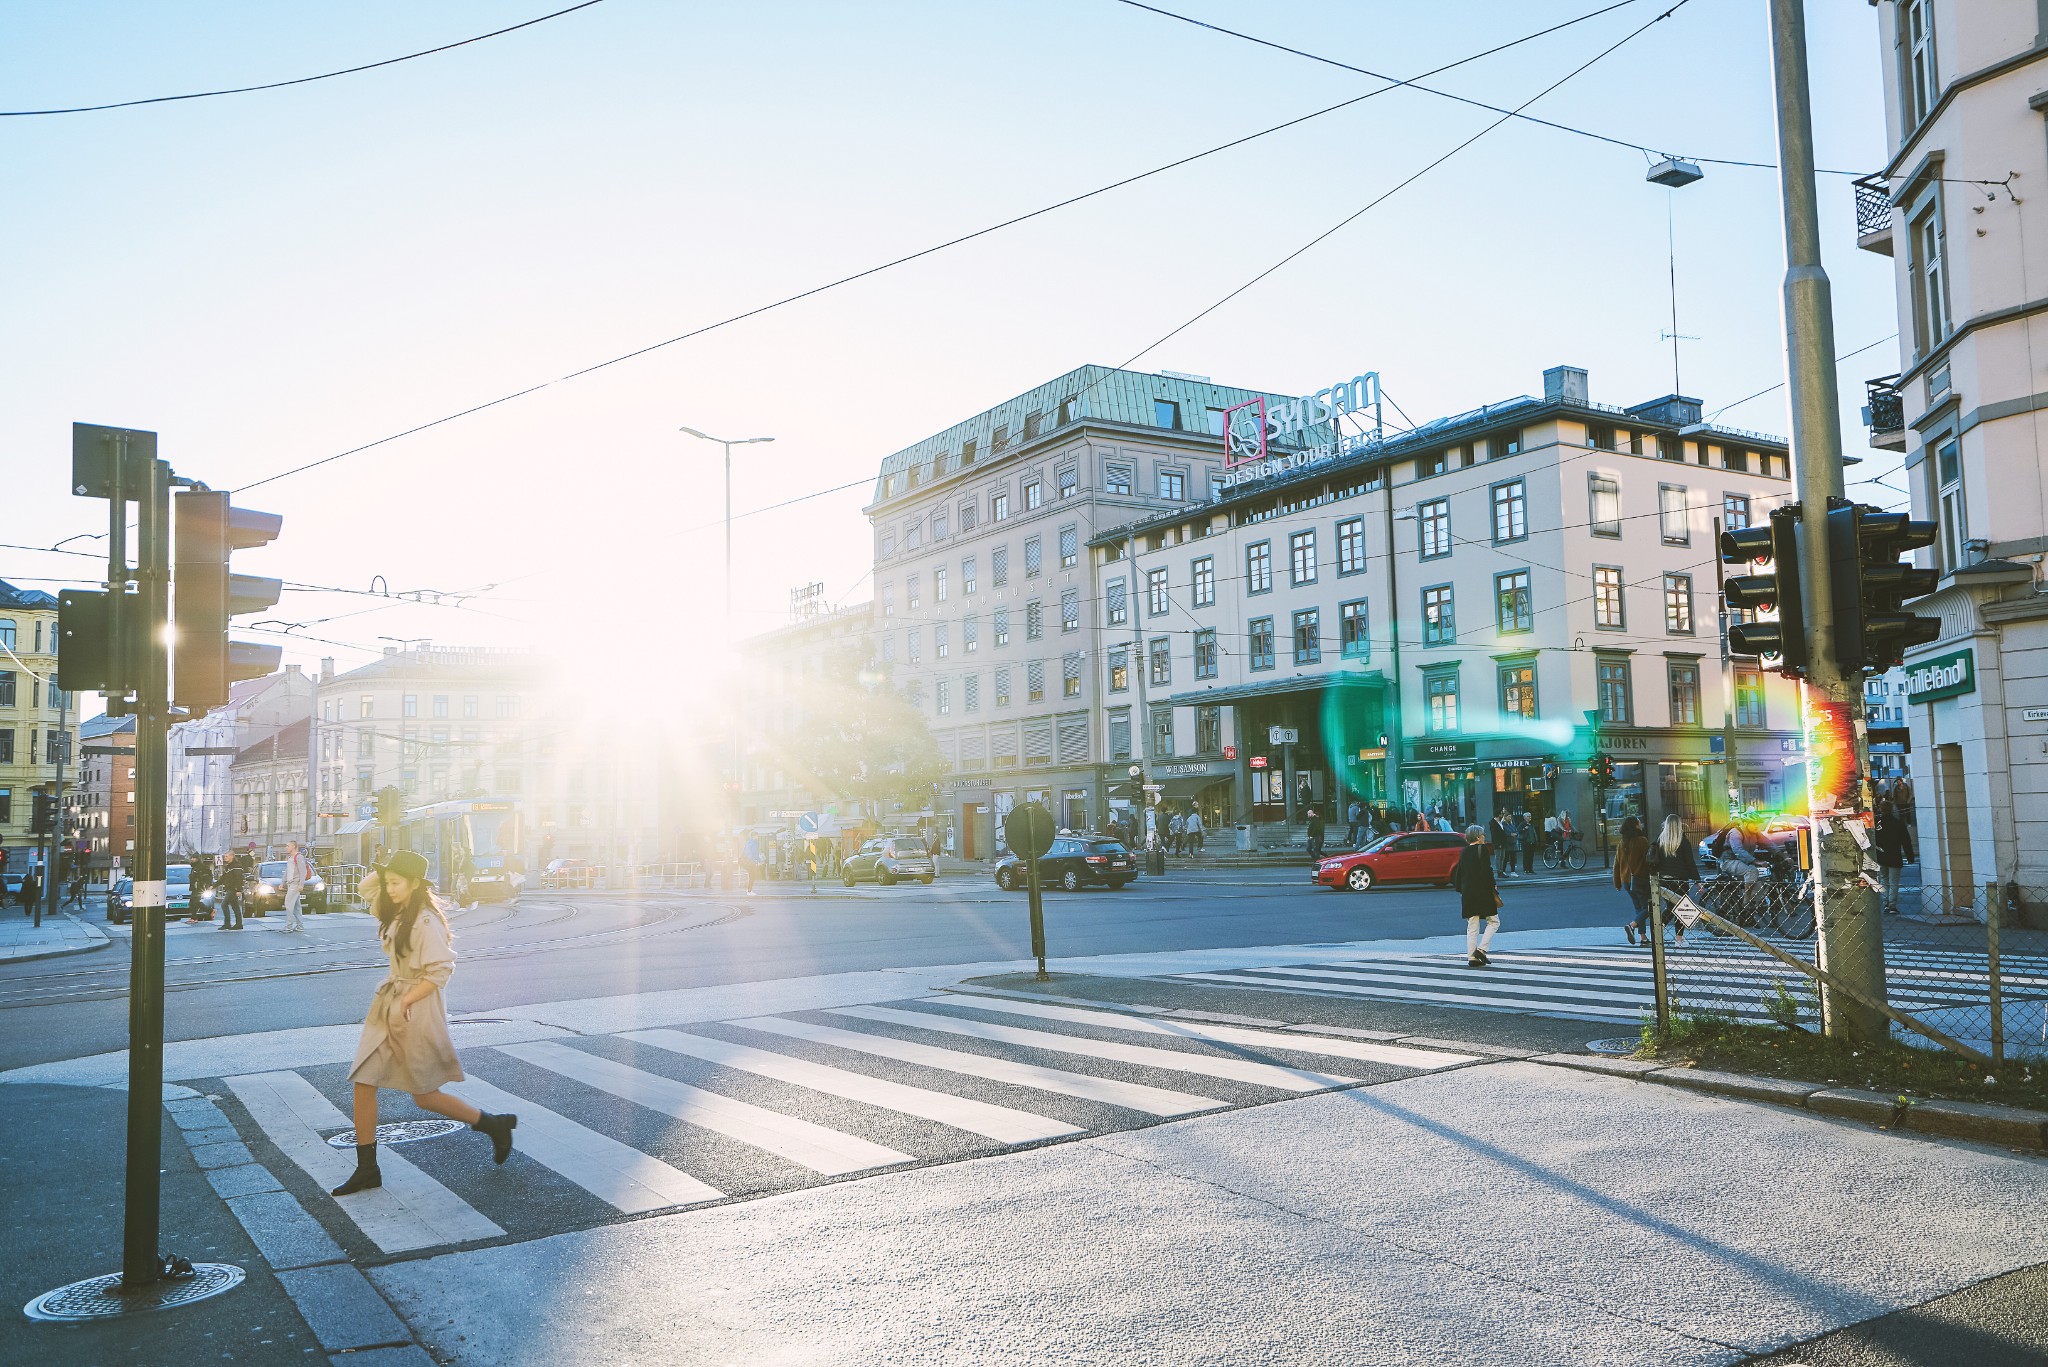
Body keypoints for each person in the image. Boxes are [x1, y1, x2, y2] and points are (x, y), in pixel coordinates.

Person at [330, 851, 516, 1198]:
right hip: (391, 1005)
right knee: (363, 1081)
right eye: (388, 883)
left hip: (416, 1008)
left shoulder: (426, 920)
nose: (388, 888)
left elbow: (441, 972)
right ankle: (367, 1168)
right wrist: (385, 869)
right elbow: (366, 886)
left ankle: (493, 1124)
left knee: (425, 1097)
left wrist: (406, 1001)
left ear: (415, 885)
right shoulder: (395, 908)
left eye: (397, 883)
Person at [1449, 825, 1501, 968]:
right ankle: (1481, 950)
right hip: (1482, 892)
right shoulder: (1481, 849)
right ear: (1478, 837)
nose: (1485, 837)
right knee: (1494, 922)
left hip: (1468, 893)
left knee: (1472, 926)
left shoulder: (1464, 851)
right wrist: (1493, 885)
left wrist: (1461, 889)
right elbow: (1486, 870)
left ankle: (1472, 957)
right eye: (1483, 834)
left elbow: (1460, 873)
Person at [1648, 814, 1697, 945]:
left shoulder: (1660, 840)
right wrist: (1698, 881)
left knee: (1670, 906)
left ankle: (1660, 926)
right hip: (1680, 880)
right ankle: (1678, 939)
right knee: (1681, 909)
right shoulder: (1683, 841)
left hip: (1664, 880)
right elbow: (1690, 862)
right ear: (1678, 824)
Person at [1614, 816, 1650, 945]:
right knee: (1649, 907)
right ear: (1635, 826)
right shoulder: (1641, 840)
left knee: (1639, 909)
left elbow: (1617, 864)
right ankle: (1632, 925)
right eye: (1639, 823)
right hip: (1640, 879)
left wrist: (1617, 883)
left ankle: (1643, 938)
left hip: (1627, 882)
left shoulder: (1621, 843)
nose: (1641, 824)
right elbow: (1648, 861)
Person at [1872, 801, 1909, 916]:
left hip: (1881, 856)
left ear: (1880, 808)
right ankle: (1892, 905)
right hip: (1895, 856)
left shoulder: (1877, 823)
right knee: (1894, 882)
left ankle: (1886, 903)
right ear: (1892, 808)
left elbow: (1873, 839)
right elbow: (1906, 841)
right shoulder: (1898, 823)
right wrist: (1910, 857)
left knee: (1884, 880)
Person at [282, 839, 310, 934]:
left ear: (293, 846)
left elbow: (303, 872)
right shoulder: (291, 857)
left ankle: (289, 926)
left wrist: (301, 884)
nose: (286, 847)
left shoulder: (299, 857)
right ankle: (300, 926)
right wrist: (283, 882)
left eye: (288, 846)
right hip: (291, 884)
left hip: (294, 884)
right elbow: (287, 871)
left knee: (288, 904)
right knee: (297, 906)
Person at [218, 855, 246, 930]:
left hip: (233, 889)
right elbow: (222, 879)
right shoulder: (228, 867)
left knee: (224, 904)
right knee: (235, 906)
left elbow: (239, 878)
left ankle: (228, 924)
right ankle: (238, 924)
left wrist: (239, 890)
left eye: (227, 856)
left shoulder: (236, 866)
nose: (225, 857)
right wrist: (213, 886)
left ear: (232, 857)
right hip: (230, 888)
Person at [1490, 813, 1516, 878]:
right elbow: (1495, 835)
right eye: (1501, 814)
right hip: (1499, 843)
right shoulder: (1495, 823)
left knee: (1502, 857)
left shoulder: (1501, 823)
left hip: (1503, 842)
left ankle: (1501, 871)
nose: (1501, 815)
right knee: (1499, 857)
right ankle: (1499, 871)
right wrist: (1498, 843)